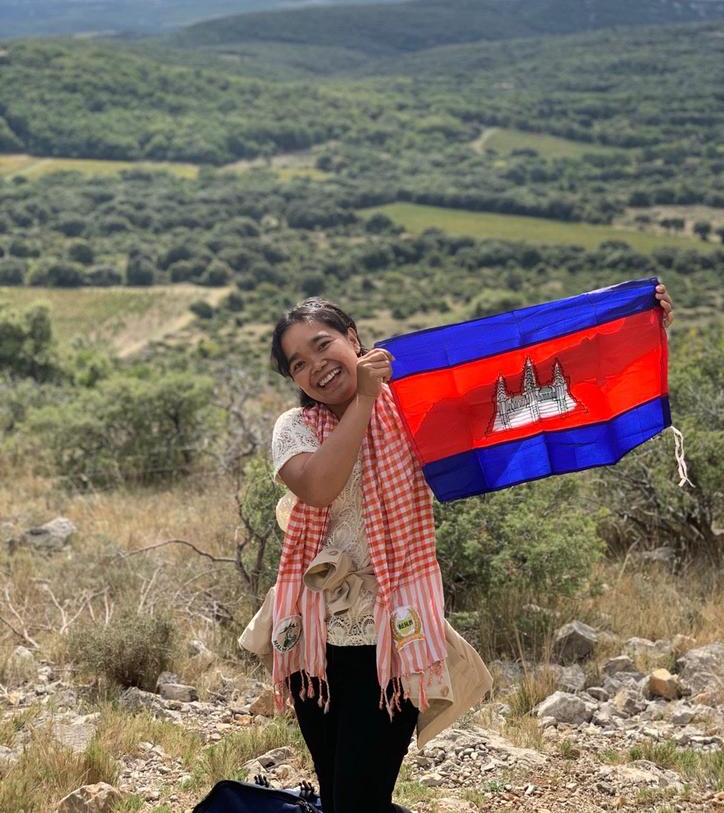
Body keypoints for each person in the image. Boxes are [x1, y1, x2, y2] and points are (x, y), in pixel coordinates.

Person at [242, 285, 674, 813]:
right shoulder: (294, 429)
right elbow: (317, 486)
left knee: (359, 798)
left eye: (323, 344)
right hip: (311, 634)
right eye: (298, 363)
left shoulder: (412, 405)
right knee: (341, 797)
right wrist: (362, 400)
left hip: (393, 632)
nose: (316, 366)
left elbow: (516, 382)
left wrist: (629, 333)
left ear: (353, 339)